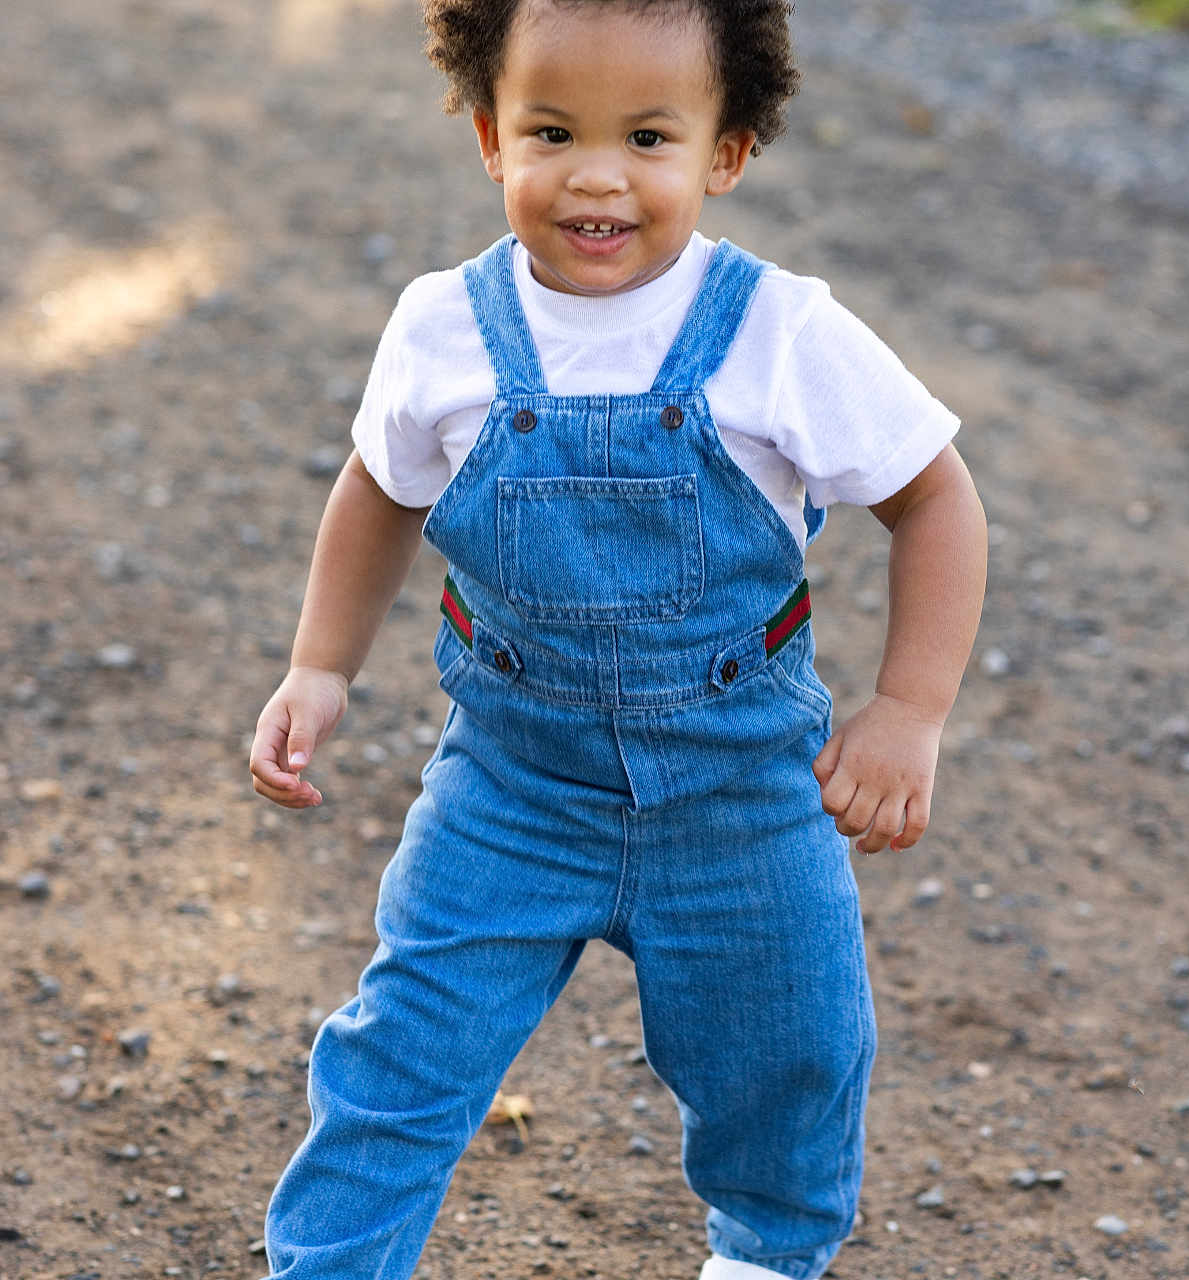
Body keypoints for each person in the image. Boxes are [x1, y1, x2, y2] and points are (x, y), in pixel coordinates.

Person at [247, 0, 988, 1276]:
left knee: (791, 1051)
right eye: (551, 130)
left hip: (740, 791)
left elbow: (933, 495)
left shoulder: (777, 331)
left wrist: (907, 707)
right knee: (398, 1052)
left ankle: (761, 1250)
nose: (595, 173)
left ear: (726, 151)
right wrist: (321, 662)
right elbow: (378, 488)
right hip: (512, 786)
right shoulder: (444, 326)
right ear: (490, 138)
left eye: (647, 135)